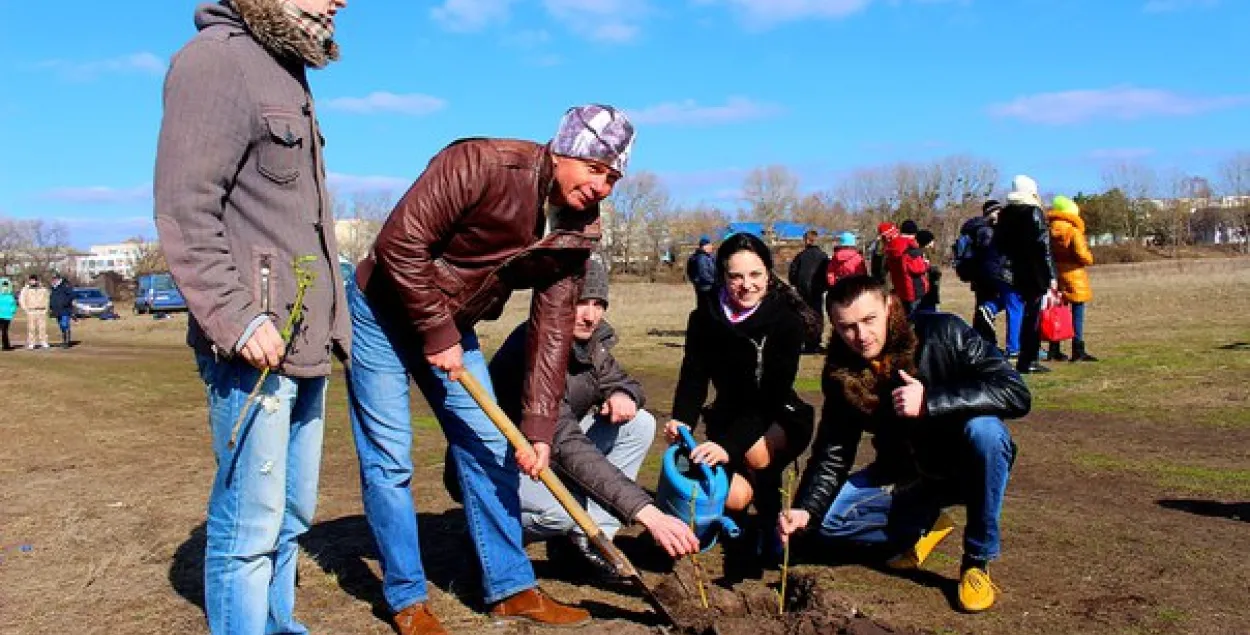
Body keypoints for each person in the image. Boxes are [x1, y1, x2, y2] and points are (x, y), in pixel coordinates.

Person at [346, 104, 635, 634]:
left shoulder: (577, 230)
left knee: (490, 447)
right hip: (381, 312)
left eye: (614, 177)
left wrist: (540, 429)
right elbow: (400, 245)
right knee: (390, 459)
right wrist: (436, 332)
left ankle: (511, 588)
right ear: (564, 149)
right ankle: (407, 599)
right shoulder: (481, 164)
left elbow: (552, 329)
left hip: (454, 323)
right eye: (596, 169)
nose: (604, 188)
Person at [153, 0, 350, 632]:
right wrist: (237, 319)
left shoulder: (285, 68)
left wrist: (336, 324)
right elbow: (186, 210)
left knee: (290, 519)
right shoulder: (216, 62)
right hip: (252, 351)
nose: (341, 1)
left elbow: (302, 225)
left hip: (304, 340)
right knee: (249, 526)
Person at [778, 275, 1031, 613]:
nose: (861, 336)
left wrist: (931, 401)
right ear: (835, 327)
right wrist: (804, 509)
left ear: (889, 306)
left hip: (964, 465)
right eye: (847, 327)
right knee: (822, 525)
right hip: (903, 474)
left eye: (869, 320)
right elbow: (833, 452)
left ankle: (977, 560)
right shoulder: (842, 372)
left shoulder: (944, 333)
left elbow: (1015, 392)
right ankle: (921, 525)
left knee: (986, 430)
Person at [484, 255, 700, 579]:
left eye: (599, 304)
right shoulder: (532, 351)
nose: (591, 315)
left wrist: (622, 395)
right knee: (560, 512)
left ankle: (589, 542)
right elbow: (565, 443)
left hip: (547, 455)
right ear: (556, 300)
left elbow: (624, 382)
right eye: (582, 302)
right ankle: (487, 540)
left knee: (639, 423)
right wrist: (646, 512)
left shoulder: (591, 343)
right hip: (498, 464)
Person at [665, 232, 818, 576]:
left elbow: (771, 398)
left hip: (779, 414)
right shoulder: (704, 317)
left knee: (754, 452)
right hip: (727, 417)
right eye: (735, 276)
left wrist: (726, 446)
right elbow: (693, 376)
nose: (746, 285)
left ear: (768, 274)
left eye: (755, 275)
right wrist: (682, 420)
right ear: (722, 276)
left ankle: (772, 526)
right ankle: (736, 516)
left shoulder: (785, 321)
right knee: (733, 497)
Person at [994, 175, 1059, 374]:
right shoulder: (1033, 211)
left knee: (1020, 314)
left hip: (1010, 271)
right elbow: (1043, 246)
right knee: (1033, 317)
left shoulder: (1005, 213)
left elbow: (999, 243)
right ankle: (1028, 359)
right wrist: (1052, 275)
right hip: (1032, 272)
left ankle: (1022, 355)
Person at [1047, 196, 1098, 362]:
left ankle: (1054, 348)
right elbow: (1083, 256)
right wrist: (1090, 257)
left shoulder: (1048, 230)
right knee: (1077, 311)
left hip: (1056, 273)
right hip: (1074, 275)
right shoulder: (1073, 231)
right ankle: (1078, 348)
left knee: (1057, 311)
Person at [958, 201, 1012, 352]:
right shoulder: (986, 231)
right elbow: (989, 253)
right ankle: (986, 343)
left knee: (982, 308)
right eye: (997, 211)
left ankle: (980, 342)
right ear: (991, 213)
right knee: (986, 308)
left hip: (977, 274)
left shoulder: (974, 229)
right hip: (986, 274)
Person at [788, 229, 830, 353]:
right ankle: (815, 342)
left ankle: (806, 342)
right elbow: (826, 273)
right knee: (817, 316)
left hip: (803, 291)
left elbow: (792, 273)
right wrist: (824, 286)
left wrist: (795, 284)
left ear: (806, 241)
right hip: (817, 291)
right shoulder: (823, 256)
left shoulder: (800, 256)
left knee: (804, 316)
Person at [885, 220, 929, 315]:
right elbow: (917, 268)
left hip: (899, 288)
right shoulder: (910, 246)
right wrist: (926, 264)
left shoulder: (892, 245)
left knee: (903, 317)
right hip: (914, 289)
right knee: (916, 318)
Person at [18, 275, 49, 350]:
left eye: (34, 280)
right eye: (31, 280)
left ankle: (43, 342)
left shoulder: (43, 289)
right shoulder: (25, 289)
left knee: (42, 327)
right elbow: (22, 300)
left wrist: (46, 309)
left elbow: (47, 299)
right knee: (31, 328)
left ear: (37, 280)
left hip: (41, 311)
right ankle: (31, 343)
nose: (33, 282)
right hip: (31, 311)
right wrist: (26, 309)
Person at [914, 230, 941, 313]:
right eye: (931, 241)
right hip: (927, 293)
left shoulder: (923, 253)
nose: (933, 243)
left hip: (927, 292)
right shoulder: (923, 254)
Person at [687, 236, 717, 306]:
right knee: (707, 307)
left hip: (703, 286)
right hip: (706, 287)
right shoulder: (702, 258)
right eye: (709, 245)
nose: (711, 247)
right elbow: (704, 274)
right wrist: (715, 282)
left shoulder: (706, 256)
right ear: (704, 246)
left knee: (704, 306)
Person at [48, 273, 74, 348]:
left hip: (65, 309)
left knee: (65, 324)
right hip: (57, 310)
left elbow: (71, 295)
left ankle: (67, 341)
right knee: (61, 326)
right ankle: (64, 339)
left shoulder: (65, 285)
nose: (54, 280)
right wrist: (51, 306)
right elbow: (52, 298)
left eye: (55, 278)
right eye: (53, 279)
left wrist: (65, 302)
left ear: (59, 279)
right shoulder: (53, 287)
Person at [0, 279, 16, 351]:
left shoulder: (10, 296)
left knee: (4, 331)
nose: (5, 288)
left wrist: (12, 311)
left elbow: (13, 305)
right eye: (3, 286)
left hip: (7, 316)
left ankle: (6, 346)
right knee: (4, 331)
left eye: (6, 286)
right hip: (0, 315)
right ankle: (5, 346)